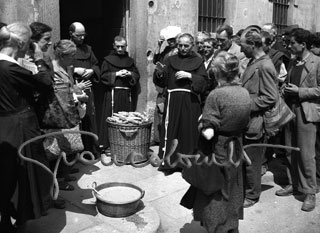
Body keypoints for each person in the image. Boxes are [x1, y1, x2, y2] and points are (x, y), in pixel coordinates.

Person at [180, 51, 251, 233]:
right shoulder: (244, 92)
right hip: (236, 148)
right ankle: (232, 226)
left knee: (214, 194)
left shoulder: (216, 95)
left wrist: (201, 123)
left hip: (217, 150)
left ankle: (216, 228)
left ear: (218, 72)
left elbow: (209, 133)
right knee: (233, 190)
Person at [0, 22, 53, 233]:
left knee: (6, 173)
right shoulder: (9, 67)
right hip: (19, 126)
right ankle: (19, 218)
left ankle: (6, 218)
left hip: (5, 125)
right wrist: (39, 59)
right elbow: (46, 82)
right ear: (22, 42)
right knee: (23, 174)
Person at [277, 28, 319, 212]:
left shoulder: (317, 62)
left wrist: (299, 92)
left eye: (293, 42)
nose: (289, 46)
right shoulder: (293, 61)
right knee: (289, 149)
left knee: (306, 153)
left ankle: (310, 191)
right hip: (290, 110)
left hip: (306, 112)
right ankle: (294, 184)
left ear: (303, 44)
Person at [153, 33, 208, 174]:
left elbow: (204, 82)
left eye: (186, 45)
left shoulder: (198, 60)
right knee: (172, 129)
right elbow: (163, 79)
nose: (182, 48)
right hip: (173, 100)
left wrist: (190, 76)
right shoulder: (171, 59)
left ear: (192, 45)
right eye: (180, 45)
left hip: (191, 102)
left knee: (188, 131)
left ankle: (187, 164)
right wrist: (159, 73)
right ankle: (170, 163)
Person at [239, 30, 278, 208]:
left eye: (243, 46)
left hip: (256, 122)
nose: (241, 50)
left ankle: (252, 195)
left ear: (253, 45)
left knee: (252, 161)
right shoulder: (254, 62)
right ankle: (245, 190)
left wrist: (246, 104)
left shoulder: (265, 65)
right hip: (247, 121)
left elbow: (270, 97)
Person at [99, 36, 140, 151]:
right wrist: (116, 74)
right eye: (118, 47)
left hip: (127, 95)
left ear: (126, 46)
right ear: (114, 46)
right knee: (111, 117)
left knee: (126, 119)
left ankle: (124, 144)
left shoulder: (130, 61)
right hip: (112, 94)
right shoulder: (107, 60)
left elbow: (137, 75)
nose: (120, 49)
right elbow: (103, 76)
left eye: (123, 46)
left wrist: (130, 74)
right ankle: (108, 145)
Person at [69, 22, 100, 158]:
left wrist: (92, 71)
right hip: (72, 89)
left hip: (87, 88)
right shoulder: (65, 47)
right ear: (71, 34)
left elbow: (96, 64)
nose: (82, 38)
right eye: (78, 35)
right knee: (76, 120)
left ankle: (91, 150)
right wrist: (75, 69)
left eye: (83, 35)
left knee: (89, 117)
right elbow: (58, 67)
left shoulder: (88, 48)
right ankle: (75, 154)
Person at [152, 26, 181, 145]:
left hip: (170, 85)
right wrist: (159, 46)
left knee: (166, 113)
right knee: (159, 111)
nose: (170, 42)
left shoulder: (178, 51)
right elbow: (156, 61)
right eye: (168, 40)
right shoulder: (167, 50)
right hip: (162, 85)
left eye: (172, 39)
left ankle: (167, 139)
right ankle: (158, 139)